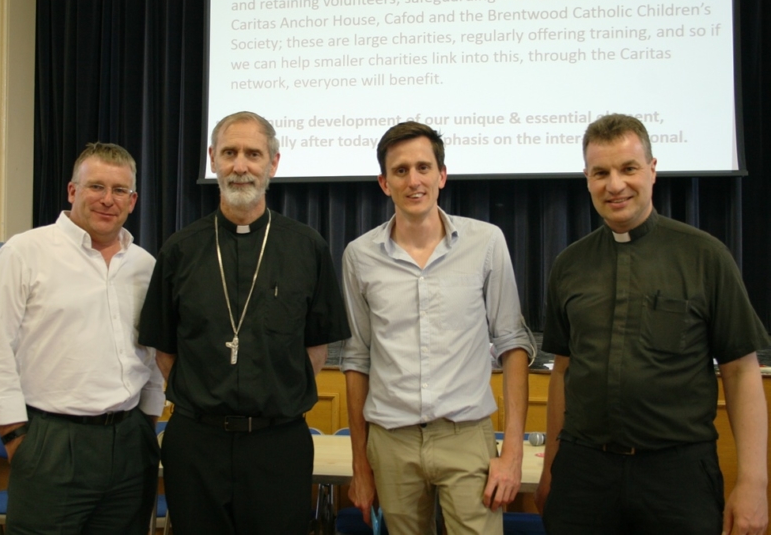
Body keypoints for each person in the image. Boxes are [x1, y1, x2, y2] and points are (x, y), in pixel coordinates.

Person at [535, 114, 769, 535]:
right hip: (583, 474)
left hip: (678, 476)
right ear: (586, 179)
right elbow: (562, 373)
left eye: (628, 169)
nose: (615, 185)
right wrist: (552, 464)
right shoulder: (569, 265)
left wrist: (754, 481)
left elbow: (740, 371)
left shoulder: (705, 257)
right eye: (600, 173)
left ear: (653, 170)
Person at [138, 111, 351, 534]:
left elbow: (316, 349)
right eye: (230, 153)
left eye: (253, 154)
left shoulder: (307, 247)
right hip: (196, 442)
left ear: (273, 163)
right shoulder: (180, 250)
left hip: (278, 443)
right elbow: (164, 350)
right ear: (213, 159)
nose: (240, 165)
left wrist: (271, 396)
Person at [341, 121, 535, 535]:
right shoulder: (358, 256)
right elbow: (357, 359)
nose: (414, 180)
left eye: (424, 167)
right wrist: (361, 461)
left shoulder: (486, 242)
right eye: (401, 170)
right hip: (391, 442)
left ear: (442, 175)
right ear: (383, 182)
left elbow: (513, 344)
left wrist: (513, 451)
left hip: (466, 437)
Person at [0, 143, 163, 534]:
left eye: (119, 190)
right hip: (50, 442)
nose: (108, 200)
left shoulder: (145, 265)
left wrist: (146, 421)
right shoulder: (24, 254)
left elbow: (150, 352)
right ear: (72, 191)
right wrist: (17, 439)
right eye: (96, 187)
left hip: (129, 444)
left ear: (133, 200)